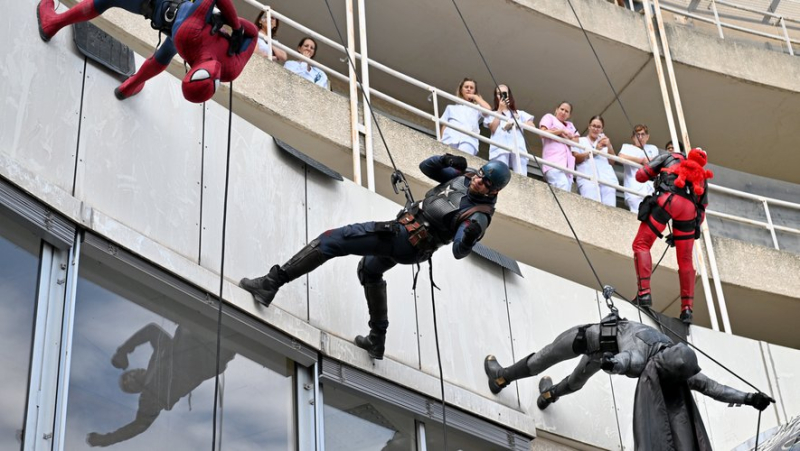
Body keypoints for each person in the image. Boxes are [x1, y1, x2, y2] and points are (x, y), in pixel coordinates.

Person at [239, 154, 511, 360]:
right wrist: (446, 159)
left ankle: (270, 284)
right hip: (405, 235)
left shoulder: (478, 215)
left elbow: (459, 252)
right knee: (369, 270)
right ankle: (377, 340)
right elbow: (427, 168)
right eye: (480, 174)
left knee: (333, 239)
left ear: (494, 190)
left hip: (407, 240)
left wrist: (470, 235)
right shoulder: (466, 176)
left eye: (485, 181)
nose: (477, 180)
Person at [484, 314, 774, 449]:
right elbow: (630, 359)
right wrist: (614, 363)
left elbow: (713, 388)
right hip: (586, 339)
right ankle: (502, 377)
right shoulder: (646, 352)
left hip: (603, 356)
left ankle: (548, 395)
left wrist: (749, 398)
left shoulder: (676, 367)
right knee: (542, 359)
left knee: (575, 381)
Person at [37, 0, 258, 104]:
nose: (214, 69)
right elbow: (255, 33)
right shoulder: (230, 70)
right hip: (175, 25)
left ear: (192, 73)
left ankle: (53, 23)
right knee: (167, 51)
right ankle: (131, 85)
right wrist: (236, 29)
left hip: (160, 8)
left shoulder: (191, 36)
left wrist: (234, 25)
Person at [85, 323, 236, 447]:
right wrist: (106, 440)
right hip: (217, 348)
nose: (132, 375)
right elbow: (138, 426)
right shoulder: (150, 398)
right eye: (128, 382)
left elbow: (151, 330)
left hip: (201, 331)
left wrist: (124, 350)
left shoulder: (161, 354)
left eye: (129, 373)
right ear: (134, 389)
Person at [632, 147, 712, 323]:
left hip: (668, 201)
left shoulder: (667, 157)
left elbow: (639, 176)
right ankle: (687, 311)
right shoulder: (702, 176)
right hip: (689, 214)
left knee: (641, 245)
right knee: (685, 261)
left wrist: (654, 173)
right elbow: (702, 209)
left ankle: (644, 294)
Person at [483, 84, 535, 175]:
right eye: (499, 94)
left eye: (504, 93)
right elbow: (493, 128)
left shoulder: (519, 113)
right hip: (500, 148)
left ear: (509, 95)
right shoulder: (492, 113)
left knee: (521, 174)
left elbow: (532, 126)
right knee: (499, 172)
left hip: (518, 147)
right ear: (496, 97)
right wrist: (499, 109)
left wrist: (517, 124)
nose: (502, 96)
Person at [572, 115, 618, 206]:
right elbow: (576, 159)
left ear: (602, 129)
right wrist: (594, 152)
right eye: (593, 126)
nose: (595, 129)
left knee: (610, 209)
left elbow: (612, 162)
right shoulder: (580, 140)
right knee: (592, 207)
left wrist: (609, 146)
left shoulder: (604, 142)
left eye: (598, 127)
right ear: (589, 126)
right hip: (588, 179)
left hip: (607, 180)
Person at [439, 78, 491, 156]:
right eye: (466, 87)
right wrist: (441, 142)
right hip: (450, 139)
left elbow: (488, 110)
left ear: (474, 91)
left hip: (468, 141)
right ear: (461, 90)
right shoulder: (451, 108)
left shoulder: (477, 108)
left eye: (471, 88)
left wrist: (476, 97)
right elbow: (444, 126)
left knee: (461, 164)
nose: (469, 89)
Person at [618, 124, 660, 213]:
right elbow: (621, 157)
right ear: (632, 137)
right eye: (637, 135)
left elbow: (656, 161)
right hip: (633, 188)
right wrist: (640, 160)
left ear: (647, 137)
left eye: (643, 134)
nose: (640, 137)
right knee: (637, 215)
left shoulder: (653, 148)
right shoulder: (627, 147)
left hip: (650, 189)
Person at [539, 102, 580, 192]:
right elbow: (542, 133)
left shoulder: (570, 125)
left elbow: (577, 141)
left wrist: (562, 135)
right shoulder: (549, 117)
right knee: (562, 184)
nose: (563, 112)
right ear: (556, 109)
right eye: (562, 109)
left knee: (566, 190)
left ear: (569, 115)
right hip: (553, 161)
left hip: (567, 165)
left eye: (566, 111)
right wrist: (560, 131)